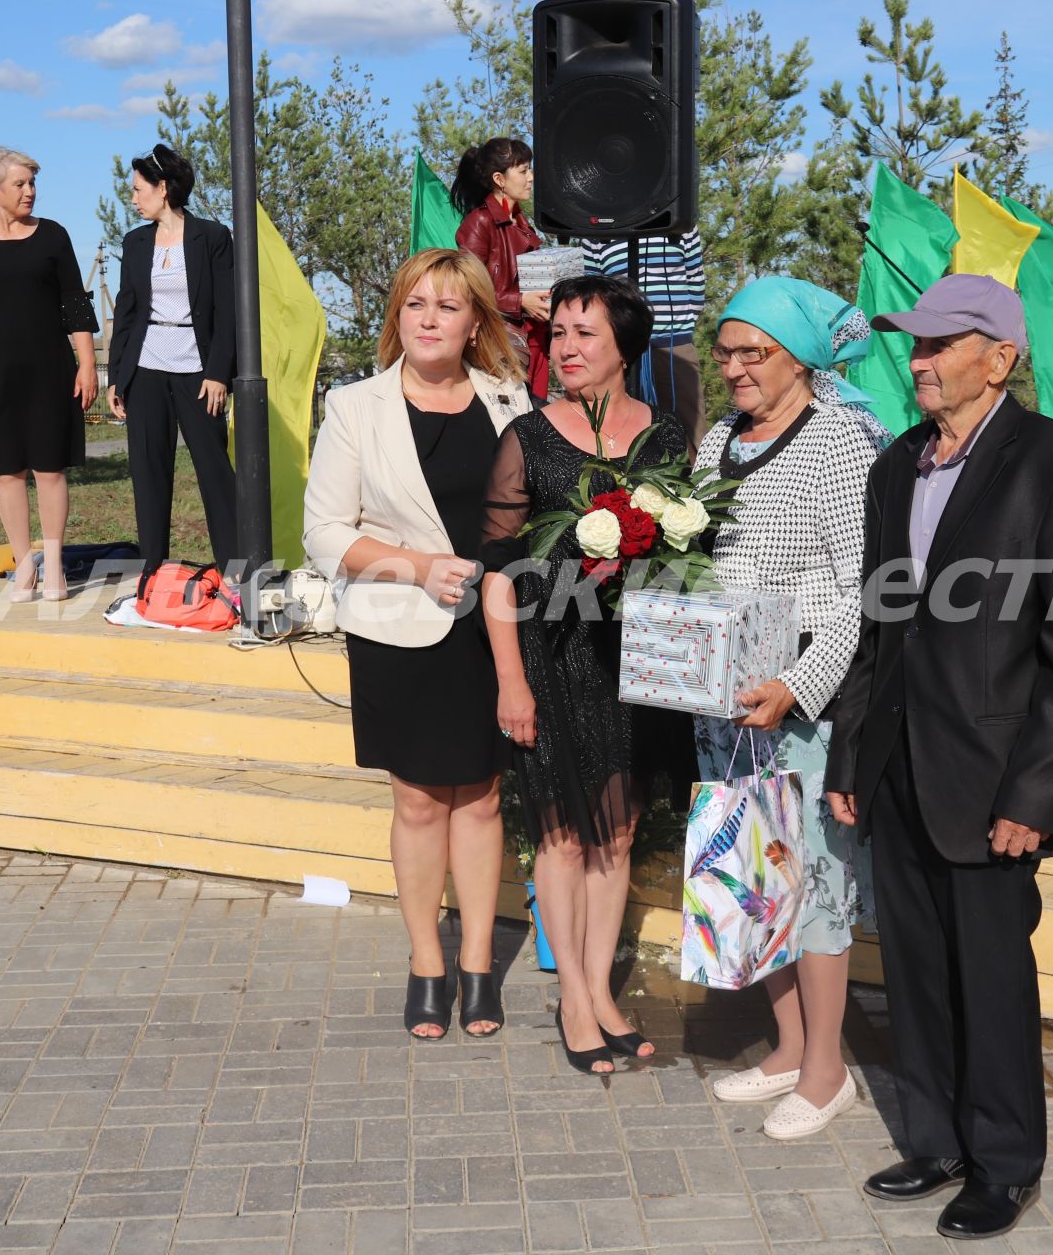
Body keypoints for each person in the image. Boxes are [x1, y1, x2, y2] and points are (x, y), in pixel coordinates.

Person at [825, 275, 1053, 1240]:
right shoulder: (897, 464)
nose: (919, 362)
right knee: (913, 968)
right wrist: (848, 763)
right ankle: (938, 1141)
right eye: (912, 346)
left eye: (939, 345)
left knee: (991, 976)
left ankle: (1003, 1164)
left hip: (998, 777)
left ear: (1000, 359)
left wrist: (1035, 790)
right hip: (900, 765)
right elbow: (878, 630)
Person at [302, 249, 534, 1040]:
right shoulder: (354, 405)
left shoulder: (509, 399)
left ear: (476, 322)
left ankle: (477, 966)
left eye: (447, 306)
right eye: (414, 305)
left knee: (483, 795)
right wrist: (420, 567)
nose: (428, 319)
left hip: (494, 629)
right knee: (418, 800)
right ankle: (425, 964)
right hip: (398, 629)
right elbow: (323, 534)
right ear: (396, 316)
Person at [480, 274, 692, 1075]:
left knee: (622, 831)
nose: (565, 348)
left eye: (584, 334)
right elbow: (497, 573)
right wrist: (511, 681)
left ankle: (602, 989)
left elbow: (689, 553)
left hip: (640, 662)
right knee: (564, 836)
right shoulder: (528, 440)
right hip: (554, 658)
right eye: (559, 333)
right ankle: (573, 996)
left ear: (625, 349)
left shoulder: (667, 437)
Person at [693, 277, 880, 1139]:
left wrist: (800, 684)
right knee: (754, 879)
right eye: (724, 352)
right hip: (725, 699)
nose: (733, 368)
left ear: (800, 358)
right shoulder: (716, 440)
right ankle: (786, 1044)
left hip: (804, 702)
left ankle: (826, 1068)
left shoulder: (840, 441)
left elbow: (866, 589)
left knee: (815, 884)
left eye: (752, 353)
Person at [0, 147, 100, 602]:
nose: (30, 192)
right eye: (21, 184)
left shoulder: (53, 236)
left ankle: (53, 565)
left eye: (33, 183)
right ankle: (24, 566)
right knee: (9, 472)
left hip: (52, 370)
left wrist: (88, 363)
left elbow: (75, 303)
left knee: (49, 470)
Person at [106, 144, 238, 576]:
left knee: (215, 473)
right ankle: (152, 574)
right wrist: (117, 378)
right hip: (144, 371)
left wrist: (219, 373)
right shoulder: (135, 241)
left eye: (138, 189)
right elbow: (126, 310)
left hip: (198, 372)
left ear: (163, 189)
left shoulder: (213, 237)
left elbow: (228, 311)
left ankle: (236, 572)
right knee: (148, 474)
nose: (132, 197)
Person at [583, 229, 706, 441]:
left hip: (673, 344)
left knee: (692, 433)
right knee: (620, 433)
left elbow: (696, 282)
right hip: (622, 348)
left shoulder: (680, 220)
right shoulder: (596, 228)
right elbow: (594, 292)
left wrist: (678, 329)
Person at [453, 138, 549, 398]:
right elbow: (470, 290)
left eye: (530, 169)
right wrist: (520, 301)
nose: (531, 177)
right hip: (502, 343)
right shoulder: (478, 223)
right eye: (523, 170)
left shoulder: (521, 222)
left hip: (534, 338)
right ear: (500, 179)